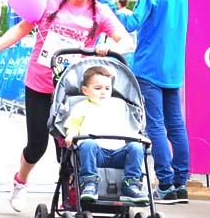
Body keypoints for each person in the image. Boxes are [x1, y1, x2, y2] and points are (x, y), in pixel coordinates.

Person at [0, 0, 134, 212]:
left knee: (69, 145)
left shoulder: (100, 12)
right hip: (40, 84)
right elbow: (22, 28)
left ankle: (71, 194)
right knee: (37, 145)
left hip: (74, 90)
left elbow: (126, 41)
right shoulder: (49, 1)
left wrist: (109, 47)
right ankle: (20, 181)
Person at [116, 0, 190, 203]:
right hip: (173, 69)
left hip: (149, 67)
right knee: (176, 125)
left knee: (155, 125)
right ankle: (180, 183)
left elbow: (132, 23)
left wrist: (113, 10)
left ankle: (165, 183)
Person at [62, 66, 149, 205]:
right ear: (85, 90)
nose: (103, 92)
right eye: (98, 88)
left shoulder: (119, 105)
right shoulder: (80, 107)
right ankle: (89, 183)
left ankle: (131, 184)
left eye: (107, 88)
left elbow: (127, 128)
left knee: (136, 147)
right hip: (96, 154)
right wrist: (71, 135)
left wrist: (139, 137)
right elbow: (73, 126)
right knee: (88, 143)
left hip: (118, 153)